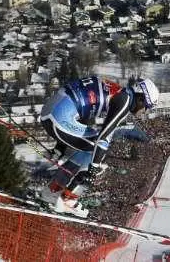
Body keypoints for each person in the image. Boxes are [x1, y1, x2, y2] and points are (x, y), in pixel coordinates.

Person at [40, 76, 159, 216]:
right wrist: (94, 168)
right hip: (58, 118)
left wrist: (59, 148)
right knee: (97, 154)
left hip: (52, 113)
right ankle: (68, 199)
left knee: (90, 147)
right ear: (140, 98)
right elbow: (104, 137)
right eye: (147, 106)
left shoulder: (118, 92)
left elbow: (81, 110)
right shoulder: (124, 101)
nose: (144, 111)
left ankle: (53, 191)